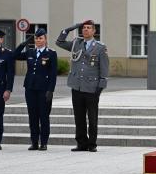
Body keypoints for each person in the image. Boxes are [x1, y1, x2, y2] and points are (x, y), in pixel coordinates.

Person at [56, 20, 109, 152]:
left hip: (92, 87)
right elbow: (59, 42)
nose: (85, 30)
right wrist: (71, 28)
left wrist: (100, 87)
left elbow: (104, 69)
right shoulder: (76, 44)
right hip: (77, 86)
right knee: (79, 117)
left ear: (94, 31)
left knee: (92, 117)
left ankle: (92, 144)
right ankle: (81, 143)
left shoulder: (100, 47)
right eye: (84, 28)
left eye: (88, 28)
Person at [14, 28, 57, 151]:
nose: (38, 40)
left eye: (41, 38)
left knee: (43, 116)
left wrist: (51, 90)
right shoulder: (30, 52)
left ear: (45, 39)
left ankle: (43, 142)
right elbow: (15, 55)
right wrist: (23, 44)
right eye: (36, 38)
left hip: (44, 90)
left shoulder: (51, 53)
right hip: (30, 88)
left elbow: (53, 74)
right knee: (32, 116)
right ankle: (34, 142)